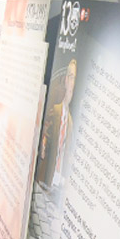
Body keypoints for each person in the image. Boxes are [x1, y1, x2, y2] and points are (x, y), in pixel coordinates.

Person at [38, 58, 76, 188]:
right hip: (46, 179)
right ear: (65, 80)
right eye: (70, 77)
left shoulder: (70, 122)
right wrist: (43, 143)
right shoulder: (55, 110)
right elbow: (44, 135)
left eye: (74, 79)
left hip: (59, 183)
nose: (72, 83)